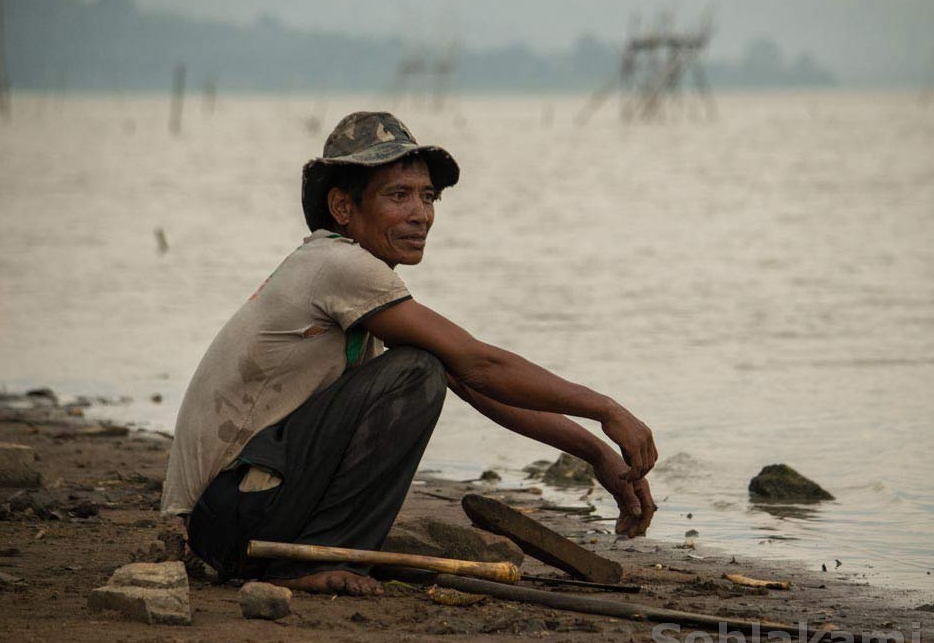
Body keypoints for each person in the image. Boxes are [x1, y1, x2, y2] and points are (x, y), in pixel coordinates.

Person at [161, 111, 657, 596]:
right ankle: (306, 559)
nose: (420, 214)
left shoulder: (347, 279)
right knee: (416, 371)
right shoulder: (339, 265)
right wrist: (606, 410)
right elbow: (479, 365)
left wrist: (595, 452)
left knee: (423, 368)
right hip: (226, 520)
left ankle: (311, 552)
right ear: (342, 207)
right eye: (398, 196)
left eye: (428, 196)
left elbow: (471, 382)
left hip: (232, 517)